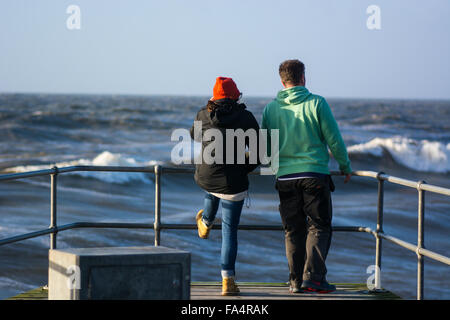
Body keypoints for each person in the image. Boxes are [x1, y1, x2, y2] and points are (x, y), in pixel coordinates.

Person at [261, 59, 352, 294]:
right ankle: (314, 278)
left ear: (282, 81)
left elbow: (265, 148)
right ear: (303, 78)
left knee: (293, 230)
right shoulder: (317, 103)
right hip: (314, 175)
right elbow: (334, 139)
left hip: (285, 178)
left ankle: (295, 281)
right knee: (319, 227)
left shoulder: (271, 109)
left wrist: (276, 166)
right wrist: (345, 165)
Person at [190, 77, 260, 296]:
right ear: (235, 96)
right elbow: (259, 153)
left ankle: (206, 222)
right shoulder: (246, 117)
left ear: (214, 97)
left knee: (211, 189)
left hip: (208, 177)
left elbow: (194, 135)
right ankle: (228, 281)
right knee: (230, 233)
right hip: (233, 184)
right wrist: (243, 168)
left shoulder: (203, 114)